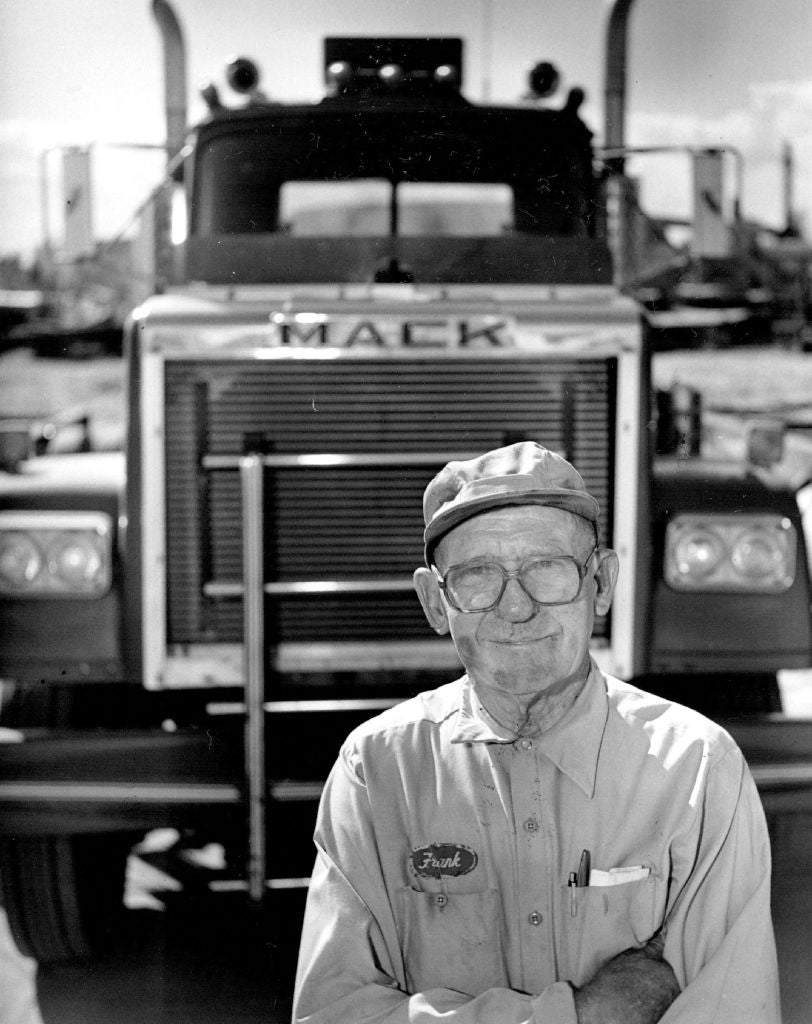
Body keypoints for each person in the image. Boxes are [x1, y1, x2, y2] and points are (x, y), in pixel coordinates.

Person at [292, 441, 780, 1024]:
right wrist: (581, 1015)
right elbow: (333, 1013)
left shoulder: (697, 768)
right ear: (435, 603)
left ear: (601, 582)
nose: (516, 608)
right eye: (477, 575)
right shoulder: (377, 769)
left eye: (547, 568)